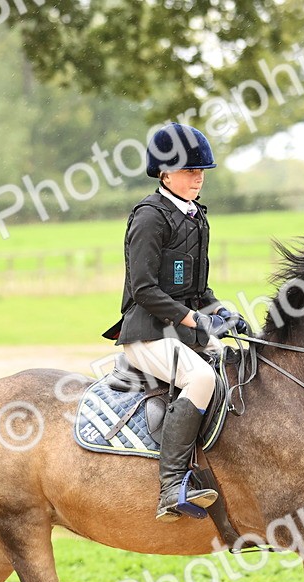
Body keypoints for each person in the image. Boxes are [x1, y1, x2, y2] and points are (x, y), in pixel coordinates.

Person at [102, 123, 246, 522]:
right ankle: (171, 487)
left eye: (201, 171)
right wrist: (194, 319)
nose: (198, 177)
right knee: (201, 380)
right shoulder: (150, 217)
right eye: (189, 170)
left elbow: (197, 287)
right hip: (147, 333)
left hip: (183, 331)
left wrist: (220, 309)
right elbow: (144, 288)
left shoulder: (196, 216)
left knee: (238, 365)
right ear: (165, 173)